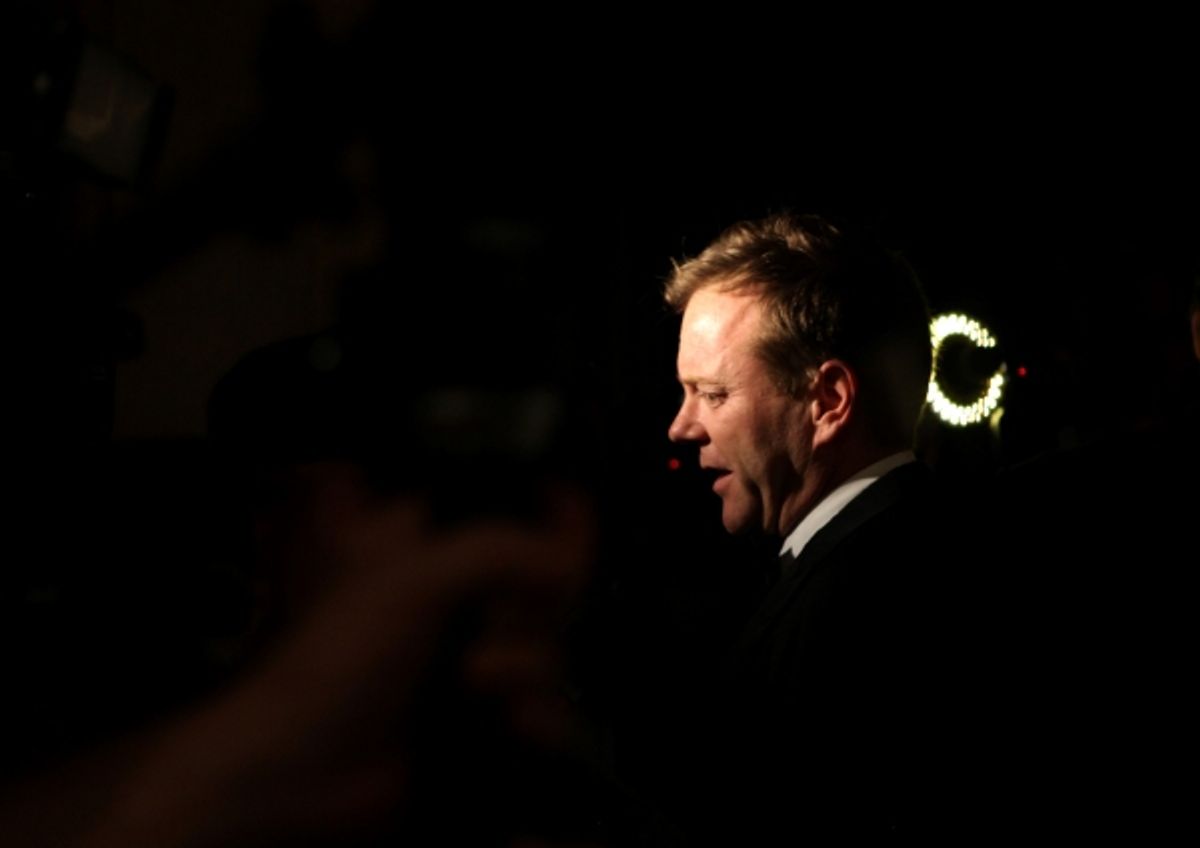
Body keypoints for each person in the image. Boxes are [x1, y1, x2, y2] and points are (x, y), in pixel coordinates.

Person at [660, 211, 976, 844]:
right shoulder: (945, 552)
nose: (681, 427)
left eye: (713, 393)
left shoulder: (862, 615)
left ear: (828, 400)